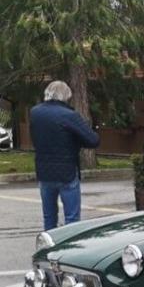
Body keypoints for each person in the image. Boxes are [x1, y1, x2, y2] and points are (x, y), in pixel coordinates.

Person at [29, 80, 100, 231]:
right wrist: (76, 142)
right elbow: (93, 140)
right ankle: (69, 244)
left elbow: (34, 138)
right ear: (66, 96)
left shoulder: (35, 112)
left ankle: (49, 243)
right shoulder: (69, 115)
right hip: (66, 171)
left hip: (44, 171)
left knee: (49, 217)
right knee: (72, 218)